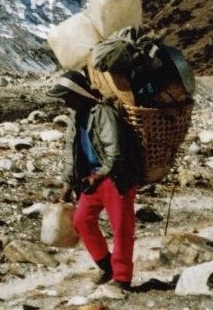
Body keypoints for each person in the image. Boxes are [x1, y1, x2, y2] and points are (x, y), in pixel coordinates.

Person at [47, 70, 143, 291]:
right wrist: (67, 185)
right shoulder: (76, 117)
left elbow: (115, 152)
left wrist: (100, 175)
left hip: (115, 177)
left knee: (121, 227)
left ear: (78, 93)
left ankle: (122, 279)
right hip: (90, 178)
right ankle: (105, 265)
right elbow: (71, 153)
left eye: (66, 97)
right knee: (82, 221)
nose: (64, 102)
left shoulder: (103, 113)